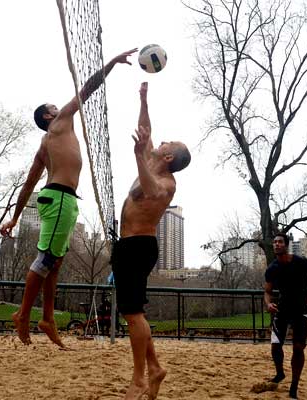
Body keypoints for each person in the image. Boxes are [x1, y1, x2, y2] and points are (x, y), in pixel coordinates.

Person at [0, 47, 138, 348]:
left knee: (56, 262)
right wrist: (112, 62)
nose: (59, 105)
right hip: (60, 199)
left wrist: (15, 216)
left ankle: (47, 318)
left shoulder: (45, 143)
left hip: (60, 198)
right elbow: (87, 88)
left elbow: (28, 185)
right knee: (47, 258)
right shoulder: (59, 123)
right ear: (50, 114)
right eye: (53, 105)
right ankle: (22, 314)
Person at [112, 82, 190, 399]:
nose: (160, 140)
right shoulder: (150, 158)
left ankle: (139, 379)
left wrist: (137, 158)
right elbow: (145, 128)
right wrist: (143, 99)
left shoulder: (166, 182)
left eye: (166, 142)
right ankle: (155, 368)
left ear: (168, 155)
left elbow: (150, 191)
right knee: (133, 314)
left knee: (133, 314)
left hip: (139, 247)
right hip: (125, 246)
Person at [264, 232, 307, 399]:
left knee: (298, 347)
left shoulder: (300, 261)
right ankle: (280, 373)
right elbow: (267, 292)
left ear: (286, 244)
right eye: (274, 242)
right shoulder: (272, 268)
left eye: (280, 242)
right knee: (275, 346)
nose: (276, 244)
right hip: (282, 309)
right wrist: (268, 303)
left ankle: (294, 386)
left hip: (301, 310)